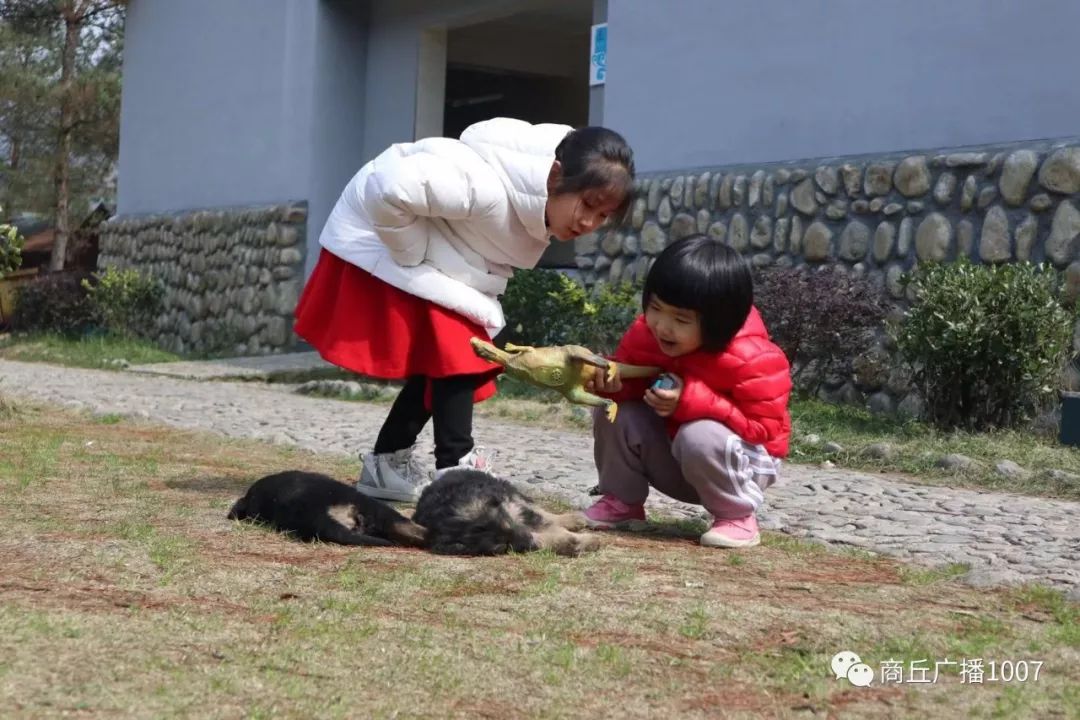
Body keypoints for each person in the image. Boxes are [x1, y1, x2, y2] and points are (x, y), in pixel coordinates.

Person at [294, 118, 635, 502]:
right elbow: (389, 189)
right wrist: (411, 250)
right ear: (555, 175)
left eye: (603, 215)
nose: (589, 222)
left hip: (418, 258)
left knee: (444, 360)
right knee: (461, 353)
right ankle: (457, 470)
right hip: (372, 239)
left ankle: (387, 464)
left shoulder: (528, 206)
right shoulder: (483, 186)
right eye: (587, 204)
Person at [584, 234, 791, 548]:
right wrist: (612, 385)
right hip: (676, 459)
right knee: (612, 411)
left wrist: (693, 401)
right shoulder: (645, 334)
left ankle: (737, 516)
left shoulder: (754, 358)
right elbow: (633, 384)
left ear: (718, 323)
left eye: (681, 319)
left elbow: (764, 430)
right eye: (656, 308)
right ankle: (622, 502)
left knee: (699, 434)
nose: (662, 326)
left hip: (740, 469)